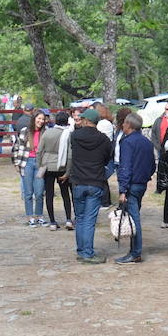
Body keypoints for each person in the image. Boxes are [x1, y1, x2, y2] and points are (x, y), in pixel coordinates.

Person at [64, 108, 113, 264]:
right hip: (96, 181)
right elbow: (107, 159)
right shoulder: (104, 140)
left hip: (78, 181)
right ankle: (87, 252)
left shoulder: (75, 136)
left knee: (80, 218)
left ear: (85, 120)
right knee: (90, 219)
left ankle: (81, 250)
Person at [115, 112, 153, 264]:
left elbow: (126, 167)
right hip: (141, 184)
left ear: (129, 125)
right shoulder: (146, 142)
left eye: (124, 123)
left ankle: (135, 252)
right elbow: (152, 165)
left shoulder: (127, 142)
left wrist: (123, 189)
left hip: (131, 185)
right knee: (134, 217)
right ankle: (133, 250)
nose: (122, 125)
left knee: (133, 220)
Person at [34, 111, 73, 230]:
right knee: (65, 194)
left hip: (48, 165)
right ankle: (68, 220)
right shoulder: (68, 134)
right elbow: (70, 155)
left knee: (49, 194)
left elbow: (39, 151)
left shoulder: (47, 133)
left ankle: (52, 222)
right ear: (67, 122)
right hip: (62, 166)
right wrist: (68, 171)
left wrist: (40, 165)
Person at [13, 111, 48, 226]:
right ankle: (29, 216)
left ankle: (39, 215)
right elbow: (16, 148)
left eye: (43, 119)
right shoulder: (25, 131)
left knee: (39, 192)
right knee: (28, 193)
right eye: (39, 118)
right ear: (34, 119)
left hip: (40, 164)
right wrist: (17, 164)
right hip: (27, 162)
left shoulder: (45, 132)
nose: (41, 121)